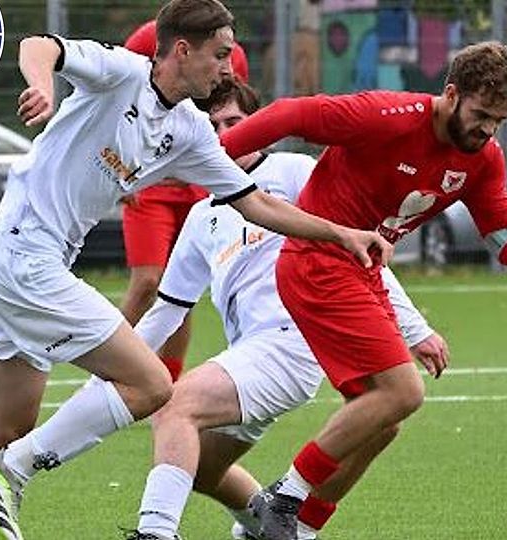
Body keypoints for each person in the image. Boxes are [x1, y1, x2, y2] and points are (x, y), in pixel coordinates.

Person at [0, 1, 391, 539]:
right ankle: (14, 470)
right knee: (152, 384)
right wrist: (43, 86)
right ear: (181, 50)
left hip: (17, 260)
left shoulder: (189, 131)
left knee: (3, 425)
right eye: (221, 54)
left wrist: (340, 233)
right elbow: (39, 44)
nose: (228, 69)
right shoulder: (122, 73)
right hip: (25, 256)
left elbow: (257, 204)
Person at [219, 41, 507, 539]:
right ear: (451, 94)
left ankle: (295, 530)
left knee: (380, 422)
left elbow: (505, 238)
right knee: (402, 391)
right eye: (481, 114)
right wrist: (214, 158)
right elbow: (289, 113)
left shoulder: (483, 157)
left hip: (362, 273)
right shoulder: (386, 115)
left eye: (499, 120)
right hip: (318, 261)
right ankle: (282, 499)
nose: (488, 129)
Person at [125, 79, 447, 540]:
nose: (224, 134)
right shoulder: (200, 217)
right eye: (212, 126)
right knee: (190, 462)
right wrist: (117, 366)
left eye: (234, 122)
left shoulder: (295, 171)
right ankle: (272, 526)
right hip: (250, 357)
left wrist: (415, 329)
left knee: (178, 407)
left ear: (257, 128)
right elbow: (167, 311)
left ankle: (156, 533)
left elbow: (360, 250)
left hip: (292, 339)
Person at [120, 20, 251, 380]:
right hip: (150, 182)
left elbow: (231, 111)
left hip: (196, 185)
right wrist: (124, 171)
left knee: (181, 287)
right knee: (147, 281)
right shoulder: (150, 36)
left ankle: (168, 383)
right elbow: (121, 104)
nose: (223, 63)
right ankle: (106, 372)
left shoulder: (232, 52)